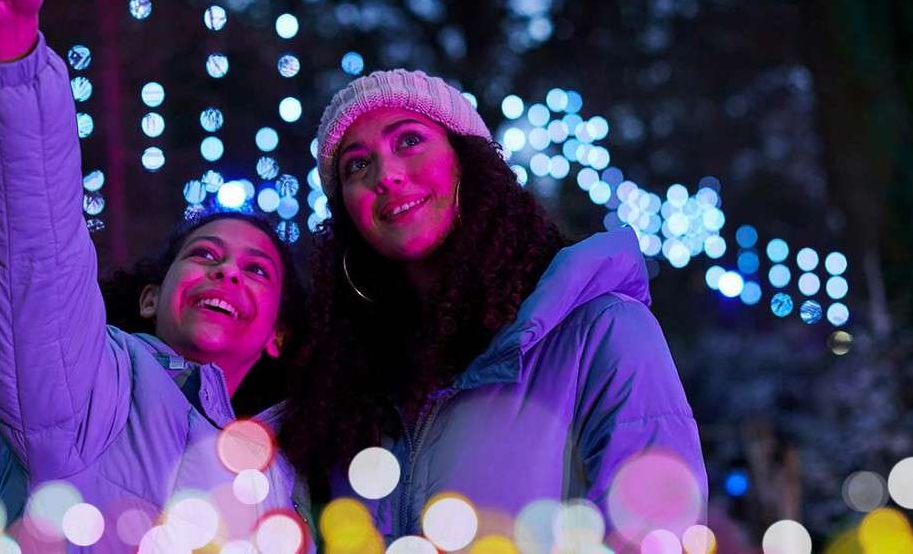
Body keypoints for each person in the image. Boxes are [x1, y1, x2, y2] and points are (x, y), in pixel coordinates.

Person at [0, 0, 306, 552]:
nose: (226, 274)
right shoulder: (92, 391)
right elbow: (34, 258)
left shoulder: (287, 479)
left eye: (257, 270)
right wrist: (15, 47)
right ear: (152, 296)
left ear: (278, 333)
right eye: (205, 255)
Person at [278, 71, 709, 548]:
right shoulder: (347, 386)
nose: (387, 175)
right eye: (356, 167)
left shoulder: (602, 331)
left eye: (409, 140)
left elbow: (654, 535)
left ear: (467, 161)